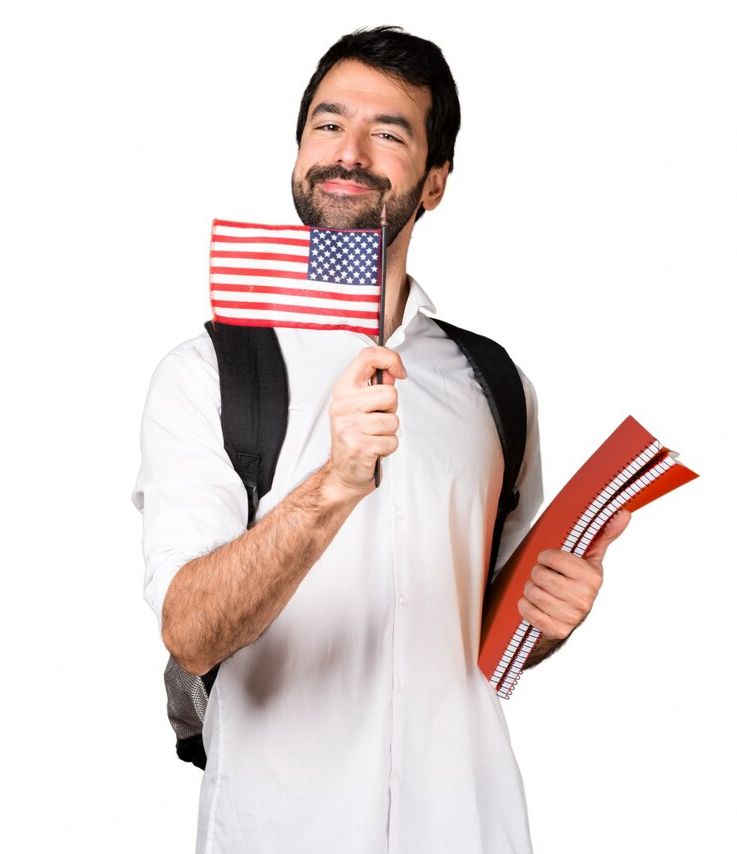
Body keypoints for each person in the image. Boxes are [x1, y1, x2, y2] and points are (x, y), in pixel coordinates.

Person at [133, 26, 629, 854]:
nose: (348, 152)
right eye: (327, 125)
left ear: (434, 181)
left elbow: (482, 640)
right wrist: (331, 484)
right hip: (283, 829)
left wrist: (546, 620)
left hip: (468, 825)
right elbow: (190, 630)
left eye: (388, 132)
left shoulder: (493, 384)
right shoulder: (210, 373)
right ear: (298, 151)